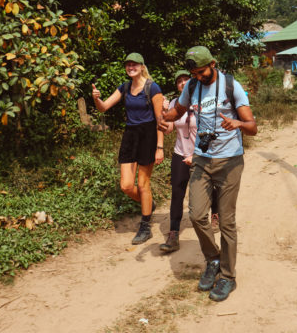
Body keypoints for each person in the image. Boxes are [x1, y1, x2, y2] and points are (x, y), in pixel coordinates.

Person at [159, 46, 257, 302]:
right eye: (194, 72)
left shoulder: (231, 86)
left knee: (226, 221)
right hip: (202, 158)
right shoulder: (191, 86)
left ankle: (227, 276)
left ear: (212, 64)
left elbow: (253, 127)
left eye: (201, 71)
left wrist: (238, 123)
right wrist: (164, 117)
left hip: (229, 161)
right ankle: (213, 259)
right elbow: (177, 112)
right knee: (197, 214)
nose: (198, 77)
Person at [92, 52, 164, 245]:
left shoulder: (152, 88)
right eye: (128, 65)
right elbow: (103, 107)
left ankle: (145, 226)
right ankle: (148, 203)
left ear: (141, 66)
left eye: (134, 65)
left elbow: (160, 121)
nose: (130, 68)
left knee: (142, 184)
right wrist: (97, 98)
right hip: (130, 135)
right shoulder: (124, 87)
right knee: (125, 185)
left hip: (148, 135)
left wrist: (160, 146)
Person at [159, 70, 219, 254]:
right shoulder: (176, 104)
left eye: (187, 80)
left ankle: (215, 214)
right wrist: (163, 112)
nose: (183, 83)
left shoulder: (204, 101)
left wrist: (197, 154)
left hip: (203, 153)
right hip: (180, 153)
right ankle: (174, 234)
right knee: (177, 192)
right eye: (179, 81)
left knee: (211, 187)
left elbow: (212, 131)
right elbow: (168, 129)